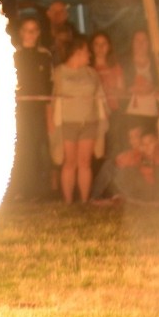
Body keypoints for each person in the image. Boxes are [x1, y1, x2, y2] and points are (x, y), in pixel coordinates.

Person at [49, 37, 108, 204]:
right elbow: (52, 98)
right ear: (77, 52)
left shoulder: (91, 73)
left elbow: (99, 96)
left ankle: (84, 200)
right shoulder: (59, 72)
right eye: (86, 51)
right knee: (70, 162)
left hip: (89, 122)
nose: (89, 54)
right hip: (67, 122)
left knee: (85, 162)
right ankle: (68, 201)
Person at [11, 16, 53, 201]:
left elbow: (49, 85)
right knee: (20, 149)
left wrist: (49, 112)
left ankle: (36, 191)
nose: (30, 34)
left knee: (37, 148)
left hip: (38, 110)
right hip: (18, 110)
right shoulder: (13, 54)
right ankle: (18, 190)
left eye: (34, 29)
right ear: (20, 32)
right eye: (26, 29)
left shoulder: (45, 55)